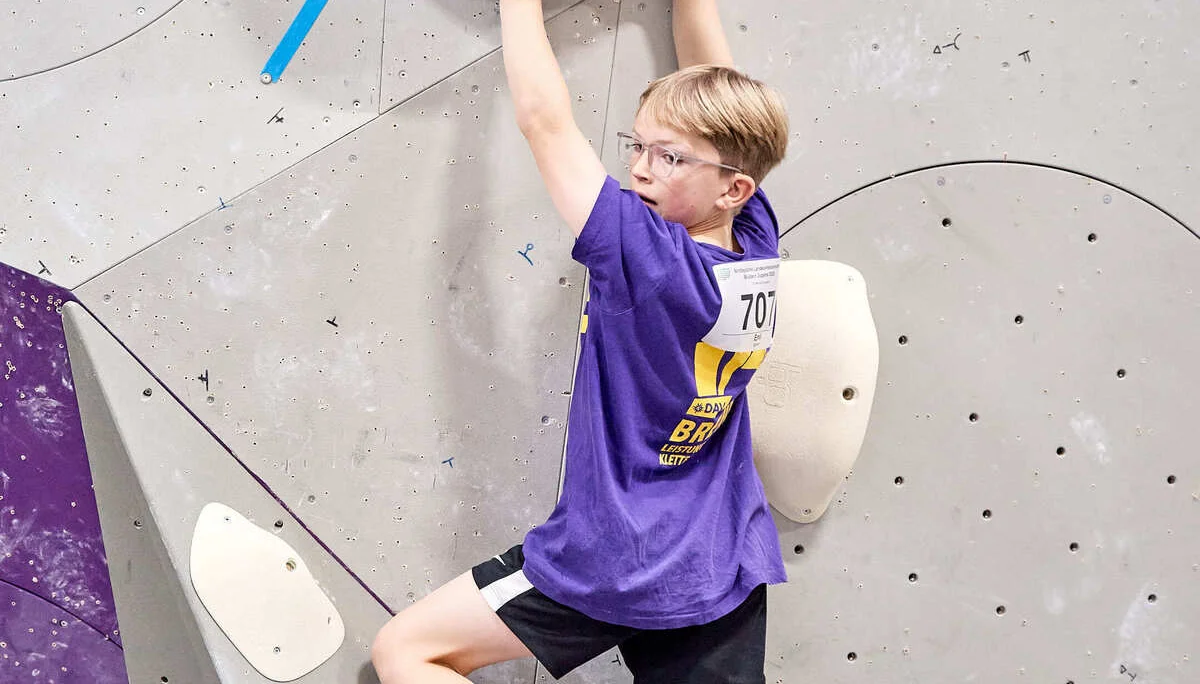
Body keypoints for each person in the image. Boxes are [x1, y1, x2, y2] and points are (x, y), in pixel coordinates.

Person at [371, 0, 790, 681]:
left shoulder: (649, 258)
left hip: (616, 558)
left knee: (406, 650)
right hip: (716, 561)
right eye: (639, 146)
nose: (642, 170)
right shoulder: (753, 242)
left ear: (730, 187)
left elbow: (543, 121)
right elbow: (714, 77)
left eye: (670, 157)